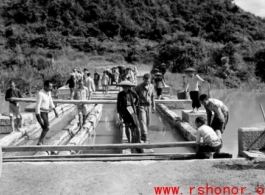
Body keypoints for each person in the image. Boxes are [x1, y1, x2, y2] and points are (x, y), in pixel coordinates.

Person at [117, 80, 141, 148]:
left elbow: (137, 98)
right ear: (122, 87)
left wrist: (135, 105)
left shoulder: (131, 92)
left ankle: (136, 139)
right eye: (123, 87)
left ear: (128, 87)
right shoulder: (120, 94)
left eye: (126, 87)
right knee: (126, 126)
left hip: (131, 110)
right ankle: (128, 140)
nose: (125, 89)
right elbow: (118, 104)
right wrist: (119, 114)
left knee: (135, 125)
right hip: (124, 111)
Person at [35, 80, 59, 145]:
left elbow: (50, 101)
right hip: (41, 112)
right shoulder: (40, 94)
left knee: (45, 128)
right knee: (47, 127)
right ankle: (40, 142)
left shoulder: (48, 92)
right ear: (45, 86)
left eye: (51, 87)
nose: (51, 88)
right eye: (50, 87)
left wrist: (55, 110)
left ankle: (41, 141)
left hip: (46, 112)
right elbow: (38, 105)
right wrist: (38, 116)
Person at [135, 73, 155, 142]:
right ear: (143, 79)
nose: (147, 82)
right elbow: (134, 96)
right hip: (141, 106)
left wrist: (154, 106)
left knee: (148, 122)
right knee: (142, 120)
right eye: (146, 81)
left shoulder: (152, 86)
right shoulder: (138, 87)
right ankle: (145, 136)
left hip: (148, 106)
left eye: (148, 81)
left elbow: (153, 97)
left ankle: (143, 135)